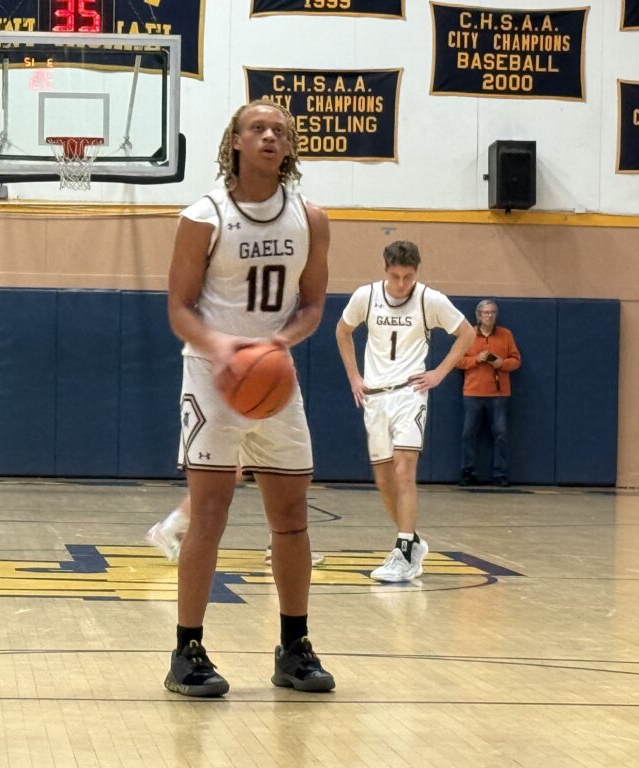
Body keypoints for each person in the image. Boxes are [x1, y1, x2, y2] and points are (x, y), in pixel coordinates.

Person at [163, 97, 334, 697]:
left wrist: (277, 344)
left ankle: (294, 646)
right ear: (234, 141)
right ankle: (187, 651)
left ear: (289, 148)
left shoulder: (310, 216)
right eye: (256, 128)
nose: (269, 136)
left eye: (279, 131)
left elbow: (313, 305)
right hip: (212, 379)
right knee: (209, 515)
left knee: (290, 517)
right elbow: (179, 310)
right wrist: (226, 348)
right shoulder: (203, 217)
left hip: (275, 379)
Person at [335, 241, 475, 583]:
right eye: (395, 276)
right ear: (385, 269)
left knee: (404, 469)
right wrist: (354, 376)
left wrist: (439, 373)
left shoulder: (430, 299)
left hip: (410, 394)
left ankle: (404, 552)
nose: (401, 284)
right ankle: (411, 540)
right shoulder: (365, 297)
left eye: (408, 277)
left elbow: (467, 333)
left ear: (416, 271)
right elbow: (343, 331)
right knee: (384, 480)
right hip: (375, 398)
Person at [146, 471, 327, 566]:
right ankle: (169, 529)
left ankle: (279, 546)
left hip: (257, 408)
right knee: (232, 472)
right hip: (250, 409)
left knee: (275, 471)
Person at [457, 299, 521, 487]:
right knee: (468, 433)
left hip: (499, 394)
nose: (489, 316)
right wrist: (476, 360)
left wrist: (501, 364)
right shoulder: (467, 334)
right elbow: (457, 361)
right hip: (472, 393)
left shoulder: (506, 335)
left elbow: (516, 361)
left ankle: (500, 474)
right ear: (478, 315)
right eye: (485, 313)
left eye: (492, 312)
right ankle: (467, 472)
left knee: (501, 434)